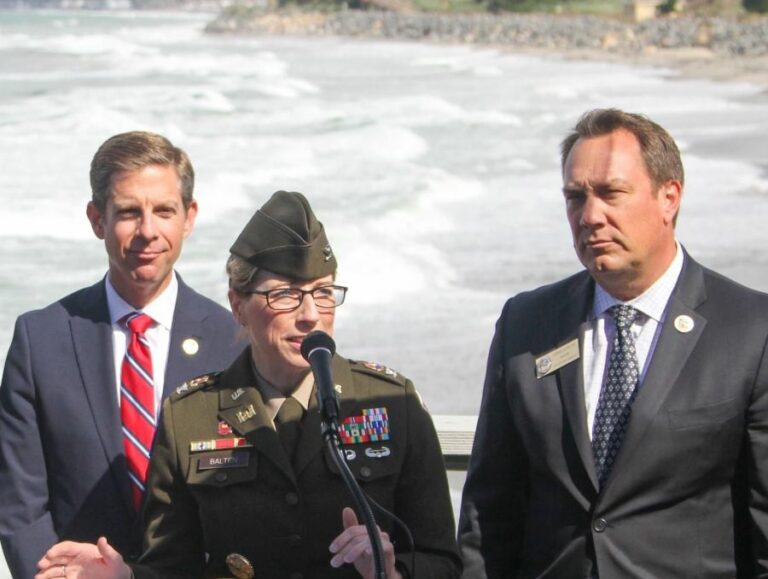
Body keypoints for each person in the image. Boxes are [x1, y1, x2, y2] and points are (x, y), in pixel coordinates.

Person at [37, 190, 461, 579]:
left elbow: (442, 560)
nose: (311, 314)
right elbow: (170, 567)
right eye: (285, 295)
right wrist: (125, 577)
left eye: (324, 293)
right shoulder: (191, 415)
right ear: (238, 305)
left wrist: (391, 571)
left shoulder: (391, 403)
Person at [458, 108, 768, 578]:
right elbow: (489, 510)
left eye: (611, 193)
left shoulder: (750, 330)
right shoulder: (527, 325)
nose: (590, 216)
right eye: (575, 197)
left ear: (669, 197)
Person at [0, 131, 243, 579]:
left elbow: (251, 508)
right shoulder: (41, 340)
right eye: (129, 212)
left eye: (164, 211)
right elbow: (19, 503)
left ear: (189, 218)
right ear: (97, 219)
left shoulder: (234, 344)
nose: (148, 231)